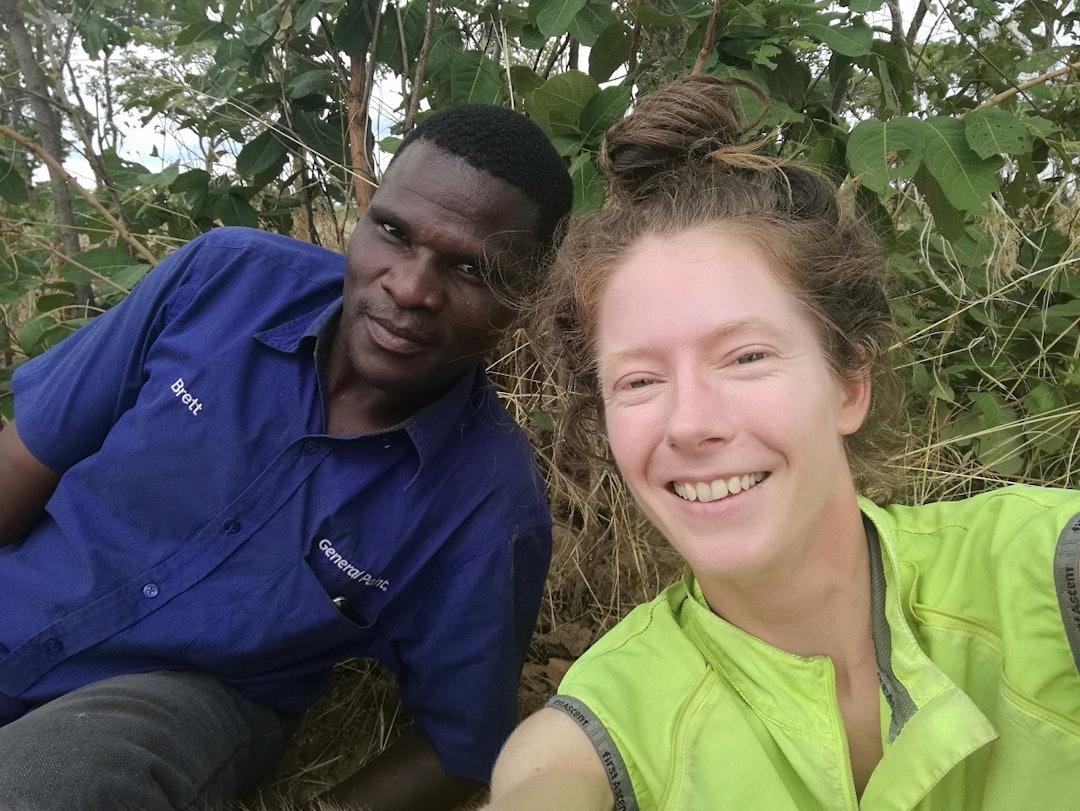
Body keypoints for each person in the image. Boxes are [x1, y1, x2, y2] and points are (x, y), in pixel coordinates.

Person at [482, 74, 1080, 810]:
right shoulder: (603, 727)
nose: (689, 422)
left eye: (746, 356)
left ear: (849, 384)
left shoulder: (1042, 572)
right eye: (638, 381)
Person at [0, 101, 572, 810]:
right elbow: (25, 457)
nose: (410, 287)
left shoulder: (489, 506)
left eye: (471, 269)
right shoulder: (222, 280)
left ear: (528, 295)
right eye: (392, 231)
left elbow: (461, 743)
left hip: (169, 702)